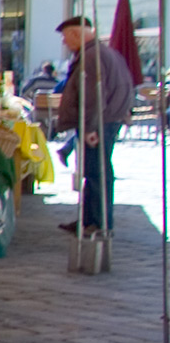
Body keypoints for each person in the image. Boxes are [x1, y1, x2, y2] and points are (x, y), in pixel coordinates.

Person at [54, 16, 135, 233]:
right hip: (109, 119)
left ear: (76, 34)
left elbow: (92, 96)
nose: (64, 43)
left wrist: (90, 128)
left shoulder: (91, 57)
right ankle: (90, 220)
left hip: (100, 122)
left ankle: (98, 222)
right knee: (94, 172)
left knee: (97, 172)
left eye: (65, 37)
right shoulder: (105, 53)